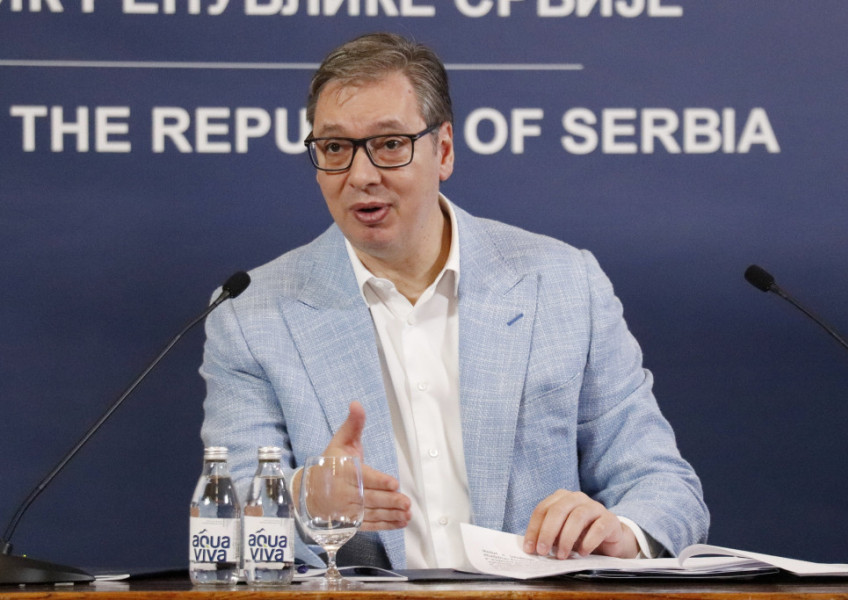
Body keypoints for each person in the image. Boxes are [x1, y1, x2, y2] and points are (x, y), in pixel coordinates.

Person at [199, 32, 709, 570]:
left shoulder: (564, 285)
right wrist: (304, 500)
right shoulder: (251, 314)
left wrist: (620, 532)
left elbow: (663, 486)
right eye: (335, 148)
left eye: (389, 144)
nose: (361, 176)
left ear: (442, 150)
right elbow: (230, 518)